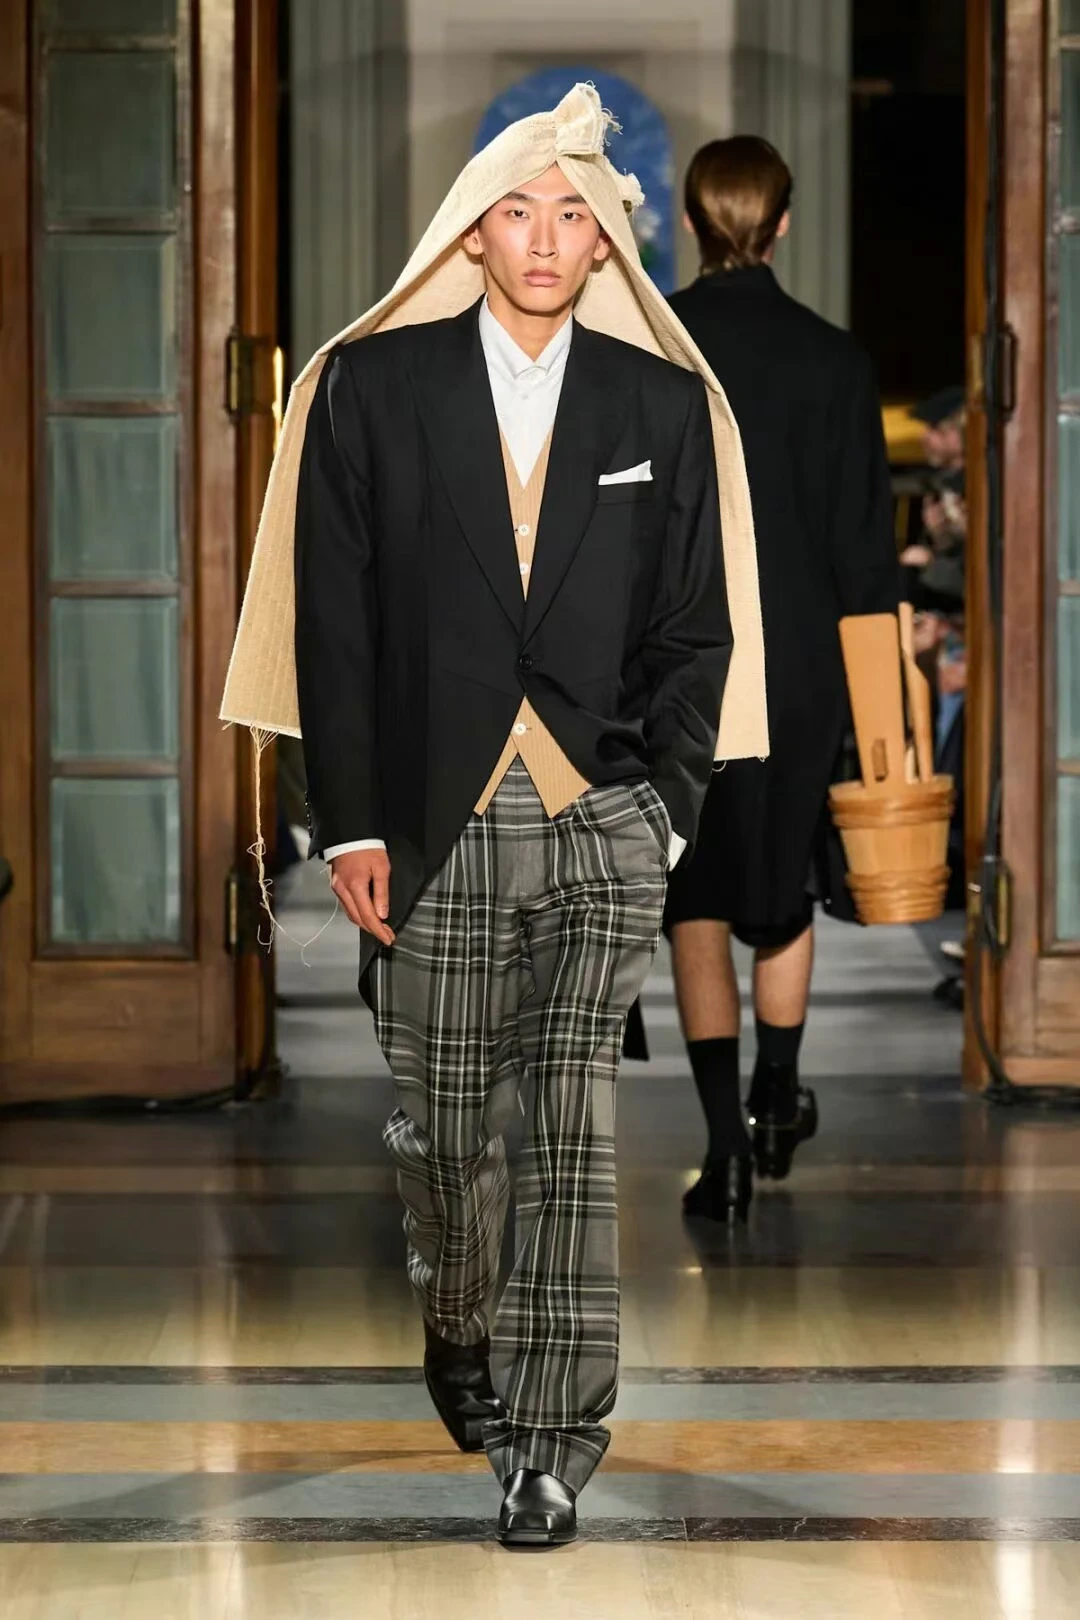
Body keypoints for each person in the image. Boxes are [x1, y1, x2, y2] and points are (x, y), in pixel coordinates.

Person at [220, 86, 768, 1547]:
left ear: (605, 243)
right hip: (428, 822)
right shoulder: (371, 390)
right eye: (517, 212)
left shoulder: (659, 406)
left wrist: (663, 812)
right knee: (448, 1132)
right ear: (473, 232)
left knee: (575, 1125)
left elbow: (695, 628)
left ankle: (552, 1443)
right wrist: (349, 823)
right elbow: (337, 624)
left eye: (571, 214)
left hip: (602, 819)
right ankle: (456, 1311)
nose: (542, 238)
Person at [664, 136, 899, 1224]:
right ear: (784, 223)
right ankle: (774, 1092)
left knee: (697, 897)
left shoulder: (652, 349)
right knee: (786, 882)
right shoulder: (837, 362)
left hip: (683, 665)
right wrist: (884, 714)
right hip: (803, 660)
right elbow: (865, 556)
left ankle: (724, 1153)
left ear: (691, 221)